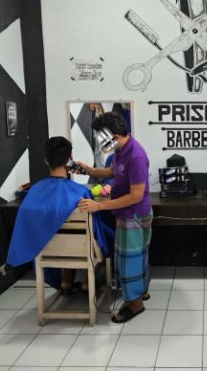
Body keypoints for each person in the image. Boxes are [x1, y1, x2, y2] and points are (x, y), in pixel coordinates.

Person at [6, 137, 113, 295]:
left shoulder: (34, 191)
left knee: (60, 234)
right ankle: (86, 282)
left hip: (47, 249)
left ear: (46, 160)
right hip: (82, 247)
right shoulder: (81, 192)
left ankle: (65, 281)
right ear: (70, 160)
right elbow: (96, 230)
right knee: (107, 235)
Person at [76, 112, 152, 323]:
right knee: (136, 257)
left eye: (102, 138)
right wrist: (89, 170)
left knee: (128, 262)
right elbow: (111, 171)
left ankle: (135, 305)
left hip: (133, 215)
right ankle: (141, 291)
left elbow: (136, 196)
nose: (101, 143)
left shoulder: (136, 157)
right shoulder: (120, 150)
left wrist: (99, 205)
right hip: (126, 214)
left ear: (115, 136)